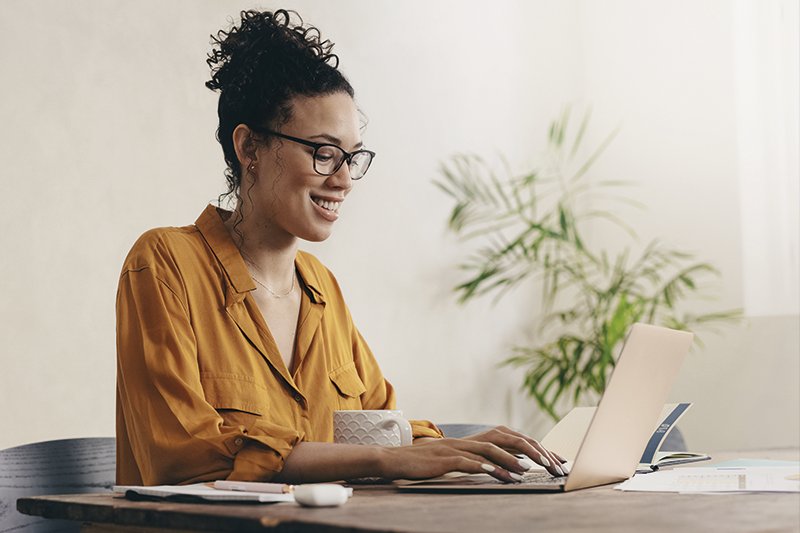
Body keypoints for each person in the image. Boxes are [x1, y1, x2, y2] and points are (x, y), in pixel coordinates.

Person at [115, 8, 565, 486]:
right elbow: (189, 457)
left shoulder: (320, 288)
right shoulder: (165, 265)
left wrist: (458, 447)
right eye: (324, 153)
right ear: (249, 149)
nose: (345, 179)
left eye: (353, 157)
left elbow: (380, 430)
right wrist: (385, 460)